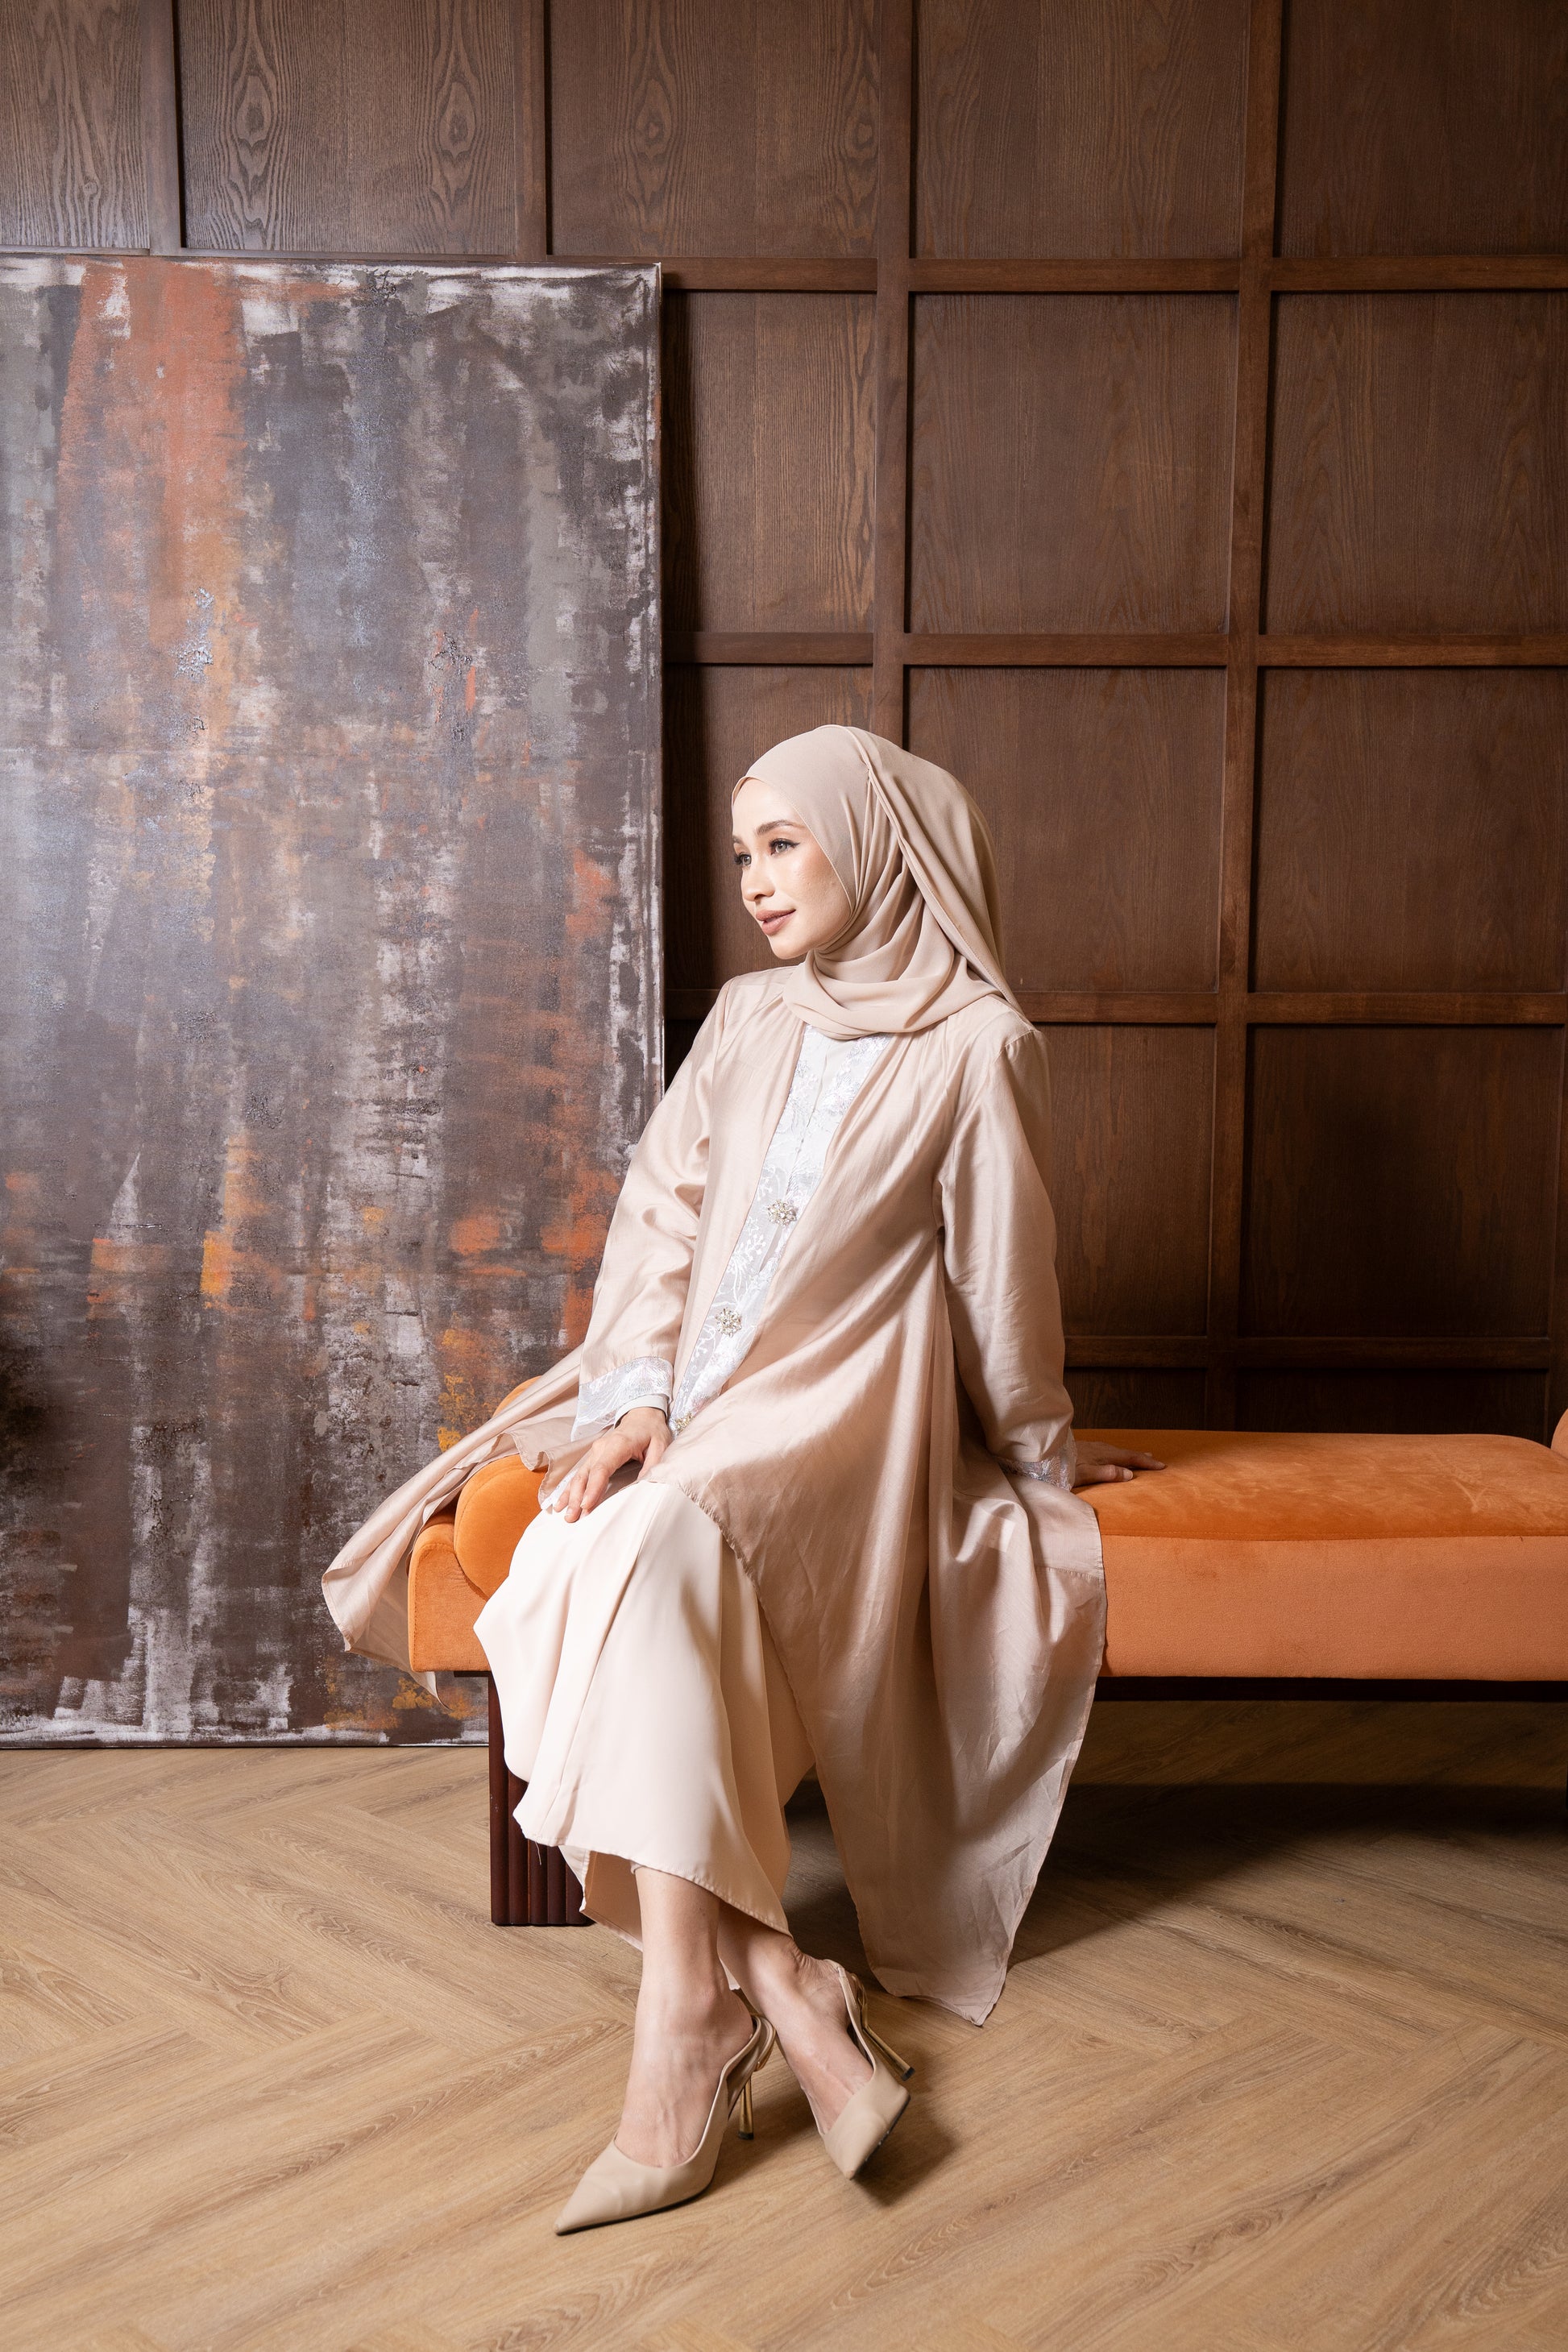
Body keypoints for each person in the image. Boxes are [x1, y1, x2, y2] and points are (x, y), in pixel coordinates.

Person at [323, 724, 1161, 2232]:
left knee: (625, 1547)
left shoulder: (979, 1045)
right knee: (587, 1543)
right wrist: (637, 1398)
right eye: (741, 854)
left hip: (841, 1420)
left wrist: (1037, 1453)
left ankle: (702, 2026)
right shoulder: (748, 1014)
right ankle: (754, 1989)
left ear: (874, 843)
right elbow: (659, 1221)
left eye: (784, 843)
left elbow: (999, 1286)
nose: (757, 880)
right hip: (687, 1404)